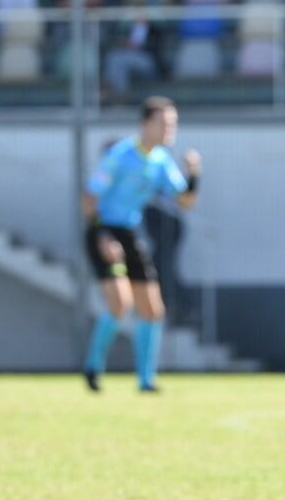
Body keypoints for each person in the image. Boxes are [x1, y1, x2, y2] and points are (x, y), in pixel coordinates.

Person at [82, 97, 201, 394]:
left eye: (173, 124)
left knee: (153, 308)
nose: (170, 129)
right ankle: (93, 366)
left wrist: (194, 175)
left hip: (129, 233)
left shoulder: (161, 160)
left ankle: (146, 380)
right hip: (103, 230)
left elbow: (185, 201)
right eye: (164, 123)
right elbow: (89, 197)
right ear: (146, 124)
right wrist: (102, 235)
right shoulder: (120, 155)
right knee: (120, 303)